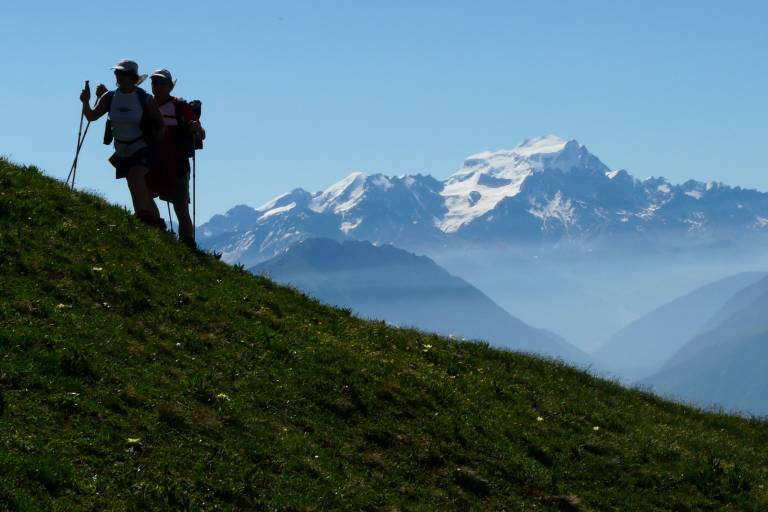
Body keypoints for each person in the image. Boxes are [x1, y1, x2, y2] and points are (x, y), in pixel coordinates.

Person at [79, 59, 166, 228]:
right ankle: (156, 223)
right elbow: (91, 116)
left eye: (122, 73)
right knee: (138, 186)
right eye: (117, 73)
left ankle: (142, 218)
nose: (118, 76)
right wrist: (85, 102)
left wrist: (157, 146)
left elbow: (160, 124)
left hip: (142, 147)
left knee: (135, 178)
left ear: (132, 77)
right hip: (122, 150)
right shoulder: (110, 97)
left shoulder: (144, 98)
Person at [146, 69, 206, 249]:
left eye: (160, 83)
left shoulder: (180, 106)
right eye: (154, 82)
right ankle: (159, 229)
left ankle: (187, 242)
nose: (156, 86)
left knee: (180, 206)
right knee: (145, 195)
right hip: (154, 160)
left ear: (170, 86)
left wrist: (196, 128)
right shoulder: (147, 104)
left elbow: (201, 135)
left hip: (176, 162)